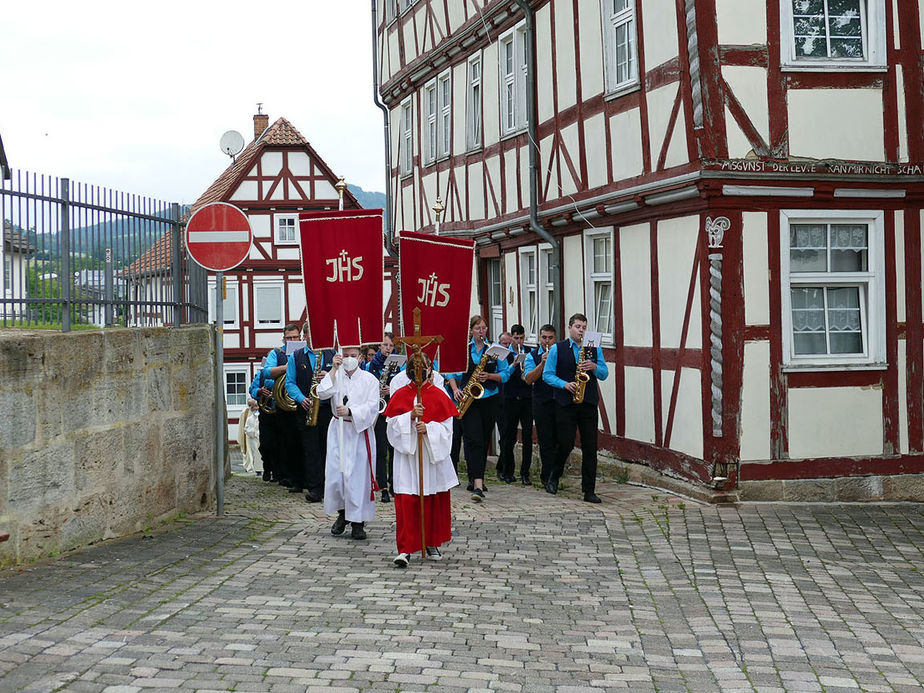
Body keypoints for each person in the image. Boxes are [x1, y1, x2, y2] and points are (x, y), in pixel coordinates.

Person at [384, 354, 459, 567]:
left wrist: (429, 429)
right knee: (407, 500)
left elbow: (447, 429)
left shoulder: (439, 394)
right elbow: (391, 427)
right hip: (408, 458)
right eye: (415, 366)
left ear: (430, 369)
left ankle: (431, 542)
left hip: (430, 456)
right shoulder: (400, 394)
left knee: (432, 498)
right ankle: (405, 549)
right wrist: (408, 416)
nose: (419, 370)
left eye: (424, 366)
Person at [542, 313, 609, 503]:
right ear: (570, 328)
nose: (581, 330)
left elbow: (604, 374)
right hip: (565, 402)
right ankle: (554, 475)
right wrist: (564, 384)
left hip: (587, 402)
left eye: (584, 327)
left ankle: (589, 490)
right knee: (566, 442)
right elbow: (547, 375)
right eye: (578, 327)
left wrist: (594, 366)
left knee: (590, 446)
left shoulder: (594, 347)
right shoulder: (557, 348)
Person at [316, 347, 380, 540]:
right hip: (338, 431)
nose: (349, 359)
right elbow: (322, 392)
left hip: (358, 432)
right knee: (338, 475)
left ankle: (358, 522)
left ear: (360, 358)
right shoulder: (336, 376)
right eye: (346, 356)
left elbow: (372, 406)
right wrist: (334, 370)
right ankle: (343, 514)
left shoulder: (370, 380)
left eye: (353, 356)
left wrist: (352, 411)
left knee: (358, 478)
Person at [446, 315, 511, 502]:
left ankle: (475, 476)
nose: (481, 331)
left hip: (489, 398)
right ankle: (478, 485)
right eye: (478, 328)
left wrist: (490, 376)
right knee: (473, 439)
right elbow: (451, 371)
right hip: (468, 398)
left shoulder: (494, 350)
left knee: (483, 440)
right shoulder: (464, 350)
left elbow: (505, 374)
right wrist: (455, 389)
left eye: (484, 328)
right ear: (471, 331)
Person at [284, 334, 330, 503]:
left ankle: (329, 487)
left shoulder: (331, 354)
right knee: (311, 450)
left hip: (327, 408)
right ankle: (315, 488)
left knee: (328, 449)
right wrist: (301, 398)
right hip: (307, 408)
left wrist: (330, 376)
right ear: (305, 336)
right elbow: (290, 382)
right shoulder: (297, 356)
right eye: (311, 334)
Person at [259, 323, 303, 487]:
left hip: (302, 402)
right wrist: (287, 368)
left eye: (295, 337)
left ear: (301, 338)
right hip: (284, 405)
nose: (291, 340)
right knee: (286, 442)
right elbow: (266, 372)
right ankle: (288, 476)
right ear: (284, 339)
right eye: (288, 338)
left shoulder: (306, 351)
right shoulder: (276, 353)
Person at [364, 332, 398, 502]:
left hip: (394, 409)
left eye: (391, 346)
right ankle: (382, 485)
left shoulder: (399, 364)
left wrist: (392, 390)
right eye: (385, 345)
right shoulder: (370, 366)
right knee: (381, 449)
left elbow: (403, 385)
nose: (388, 348)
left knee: (394, 448)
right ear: (379, 346)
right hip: (378, 411)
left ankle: (394, 483)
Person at [499, 324, 534, 484]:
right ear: (511, 337)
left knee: (527, 436)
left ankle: (525, 473)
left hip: (527, 397)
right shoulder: (505, 354)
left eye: (521, 338)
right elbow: (503, 374)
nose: (519, 341)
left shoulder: (529, 352)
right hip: (510, 397)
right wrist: (514, 364)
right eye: (516, 338)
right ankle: (507, 471)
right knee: (509, 436)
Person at [524, 324, 558, 489]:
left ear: (555, 338)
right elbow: (529, 379)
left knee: (561, 440)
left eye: (550, 338)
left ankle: (555, 473)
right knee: (545, 442)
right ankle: (548, 477)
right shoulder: (532, 356)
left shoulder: (560, 353)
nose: (547, 341)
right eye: (544, 337)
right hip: (541, 403)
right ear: (539, 338)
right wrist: (543, 364)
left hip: (559, 402)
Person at [493, 331, 513, 482]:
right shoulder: (494, 355)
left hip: (509, 399)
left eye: (508, 344)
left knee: (506, 435)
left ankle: (505, 469)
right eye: (503, 344)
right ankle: (502, 468)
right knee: (502, 435)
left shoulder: (513, 355)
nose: (506, 347)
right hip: (496, 398)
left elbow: (508, 376)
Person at [240, 398, 263, 475]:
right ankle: (257, 470)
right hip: (252, 438)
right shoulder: (247, 415)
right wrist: (252, 433)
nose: (253, 407)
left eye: (254, 405)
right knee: (255, 453)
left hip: (260, 437)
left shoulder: (261, 415)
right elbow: (246, 428)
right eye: (250, 405)